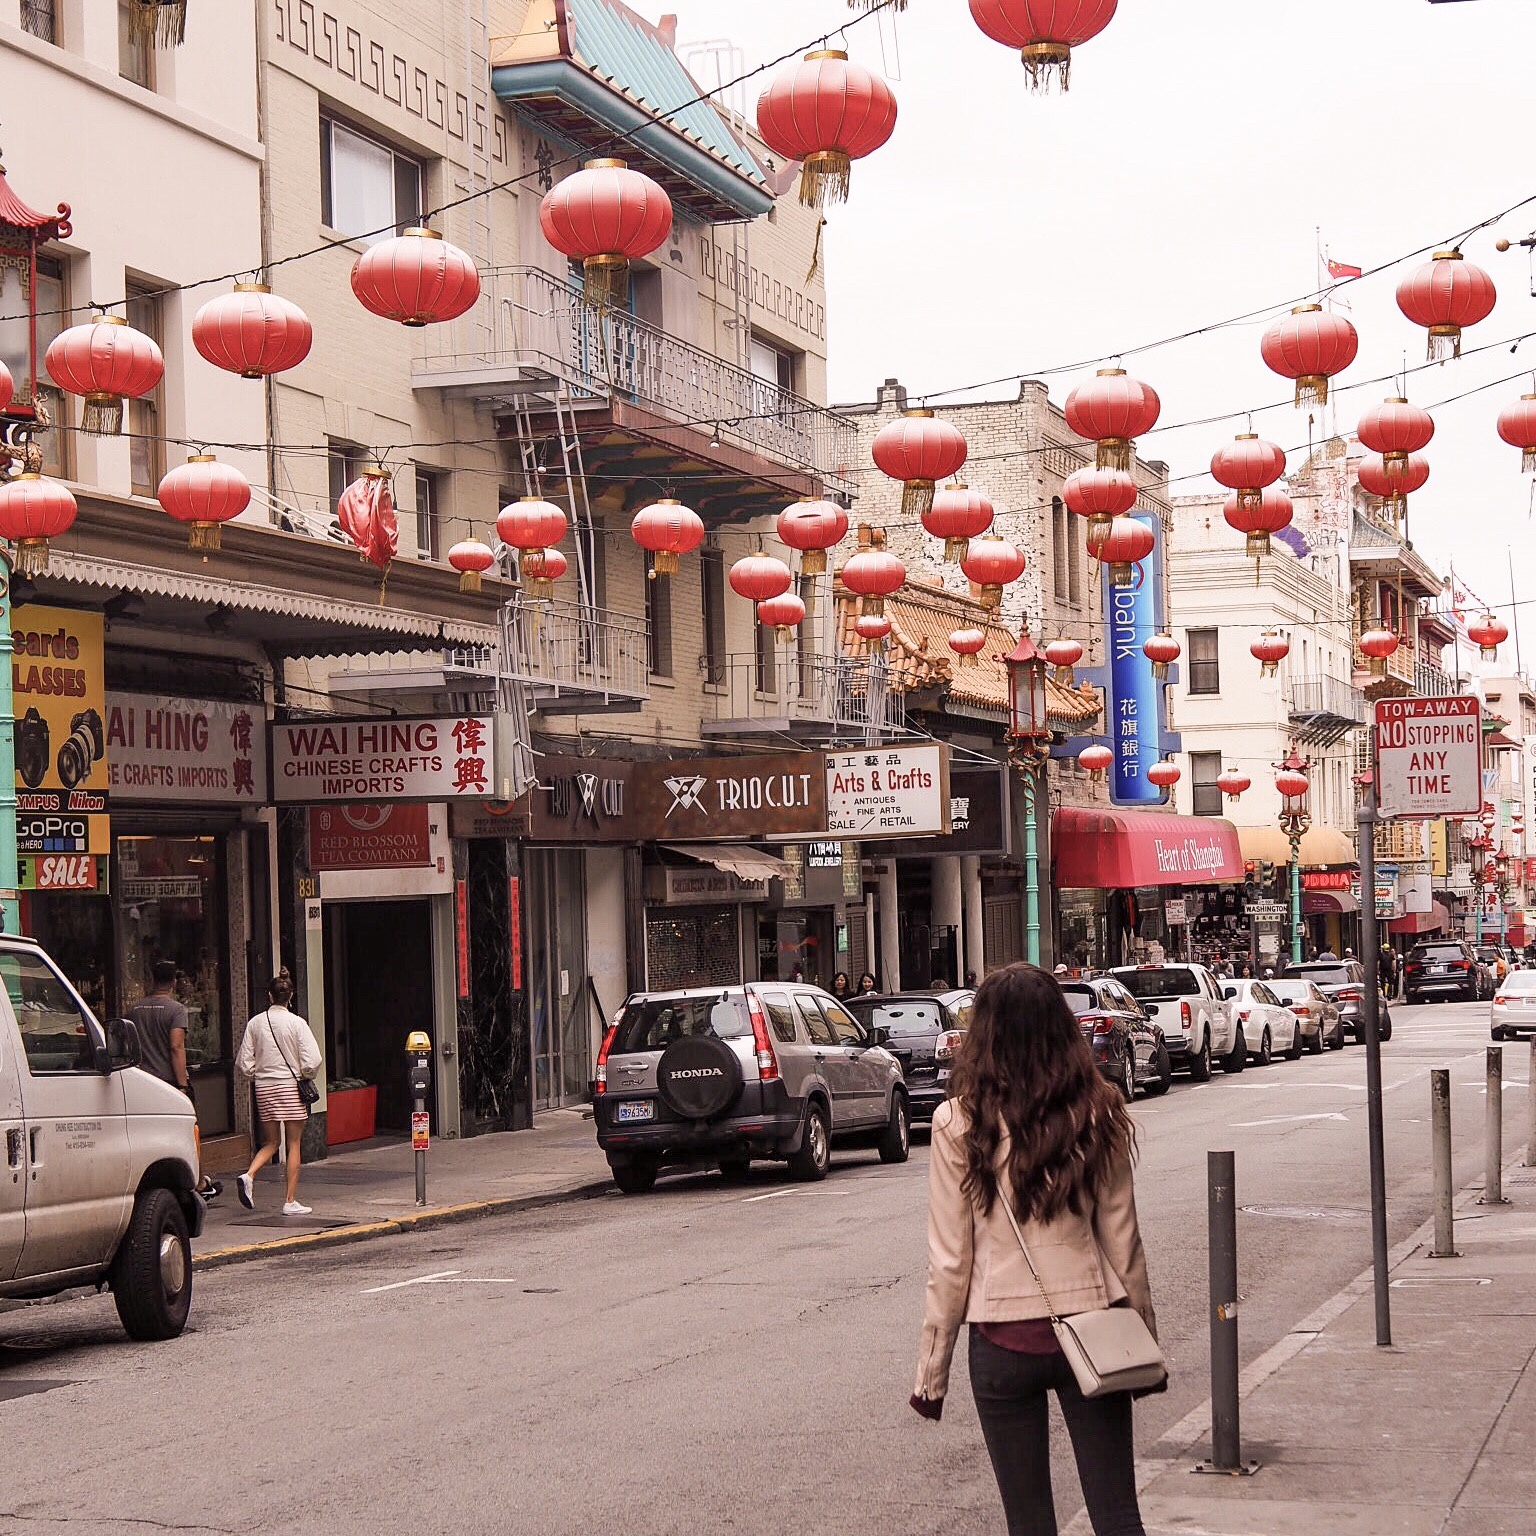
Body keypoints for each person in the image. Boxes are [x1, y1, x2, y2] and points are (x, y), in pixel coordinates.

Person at [912, 962, 1157, 1536]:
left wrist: (931, 1373)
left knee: (1028, 1522)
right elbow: (1123, 1240)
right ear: (1060, 1027)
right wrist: (1142, 1338)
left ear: (984, 1035)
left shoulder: (957, 1121)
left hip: (1001, 1340)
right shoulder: (1097, 1109)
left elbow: (950, 1261)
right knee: (1117, 1510)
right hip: (1094, 1328)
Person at [127, 961, 222, 1200]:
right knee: (188, 1133)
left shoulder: (135, 1009)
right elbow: (176, 1046)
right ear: (174, 982)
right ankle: (199, 1183)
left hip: (141, 1083)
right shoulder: (176, 1010)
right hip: (168, 1084)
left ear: (152, 980)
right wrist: (182, 1084)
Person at [235, 970, 322, 1216]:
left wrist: (258, 1074)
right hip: (290, 1087)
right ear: (290, 996)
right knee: (294, 1143)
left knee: (271, 1142)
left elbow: (244, 1062)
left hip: (264, 1088)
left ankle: (249, 1175)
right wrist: (305, 1074)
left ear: (269, 996)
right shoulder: (297, 1023)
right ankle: (290, 1200)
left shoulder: (255, 1023)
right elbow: (312, 1059)